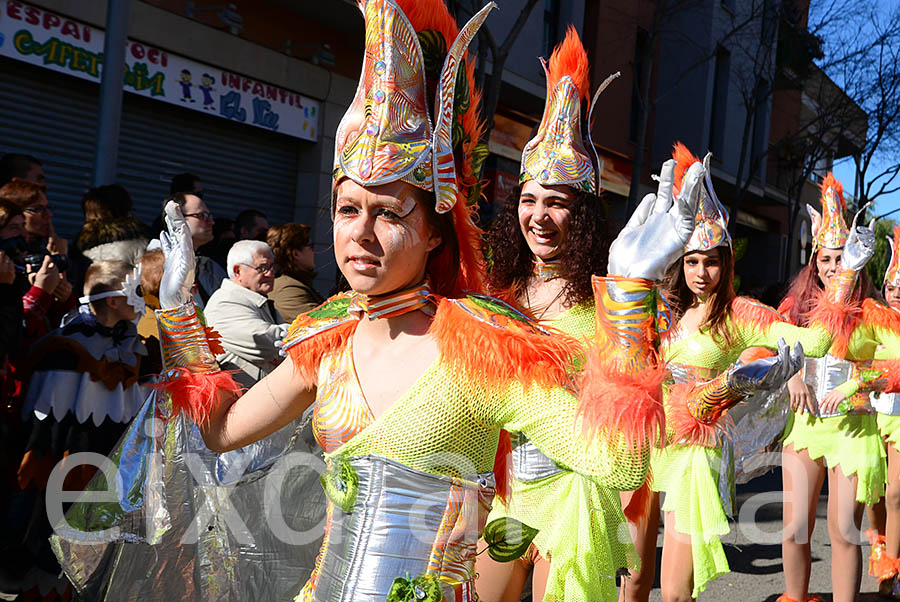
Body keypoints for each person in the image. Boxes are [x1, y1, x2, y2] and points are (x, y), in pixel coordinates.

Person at [139, 0, 695, 598]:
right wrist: (178, 315)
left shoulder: (487, 350)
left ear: (435, 231)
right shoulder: (326, 342)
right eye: (348, 209)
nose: (361, 233)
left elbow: (619, 464)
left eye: (389, 213)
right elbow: (220, 431)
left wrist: (631, 294)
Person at [624, 153, 876, 602]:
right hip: (647, 443)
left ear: (727, 264)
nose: (702, 273)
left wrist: (845, 277)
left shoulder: (740, 314)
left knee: (677, 591)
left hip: (695, 455)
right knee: (634, 580)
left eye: (712, 262)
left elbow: (814, 342)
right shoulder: (662, 309)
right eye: (692, 261)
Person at [475, 28, 636, 601]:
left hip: (576, 493)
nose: (539, 216)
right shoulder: (499, 292)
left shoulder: (606, 303)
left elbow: (631, 416)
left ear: (584, 213)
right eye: (528, 199)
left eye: (557, 203)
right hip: (505, 495)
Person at [778, 175, 900, 602]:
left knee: (843, 531)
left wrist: (857, 382)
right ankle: (796, 598)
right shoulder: (795, 309)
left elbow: (898, 361)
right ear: (815, 263)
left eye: (840, 259)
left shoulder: (872, 314)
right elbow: (769, 349)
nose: (832, 268)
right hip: (806, 428)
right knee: (794, 528)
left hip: (854, 432)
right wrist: (792, 376)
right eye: (825, 260)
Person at [10, 260, 151, 600]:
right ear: (113, 300)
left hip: (109, 461)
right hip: (66, 462)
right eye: (135, 291)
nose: (143, 299)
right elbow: (46, 428)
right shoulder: (66, 346)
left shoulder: (132, 345)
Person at [867, 225, 900, 597]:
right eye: (892, 287)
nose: (898, 292)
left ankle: (892, 569)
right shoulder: (872, 318)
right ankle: (880, 551)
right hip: (871, 417)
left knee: (895, 496)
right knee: (872, 494)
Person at [204, 240, 286, 388]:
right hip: (241, 404)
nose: (270, 273)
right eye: (262, 267)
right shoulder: (224, 302)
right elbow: (269, 342)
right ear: (237, 271)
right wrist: (306, 331)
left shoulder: (260, 301)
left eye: (272, 267)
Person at [154, 192, 225, 306]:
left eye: (209, 216)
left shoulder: (210, 266)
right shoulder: (153, 265)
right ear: (176, 217)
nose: (211, 222)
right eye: (202, 215)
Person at [267, 222, 323, 322]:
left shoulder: (295, 283)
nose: (314, 252)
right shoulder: (288, 289)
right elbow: (323, 323)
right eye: (311, 247)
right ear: (296, 254)